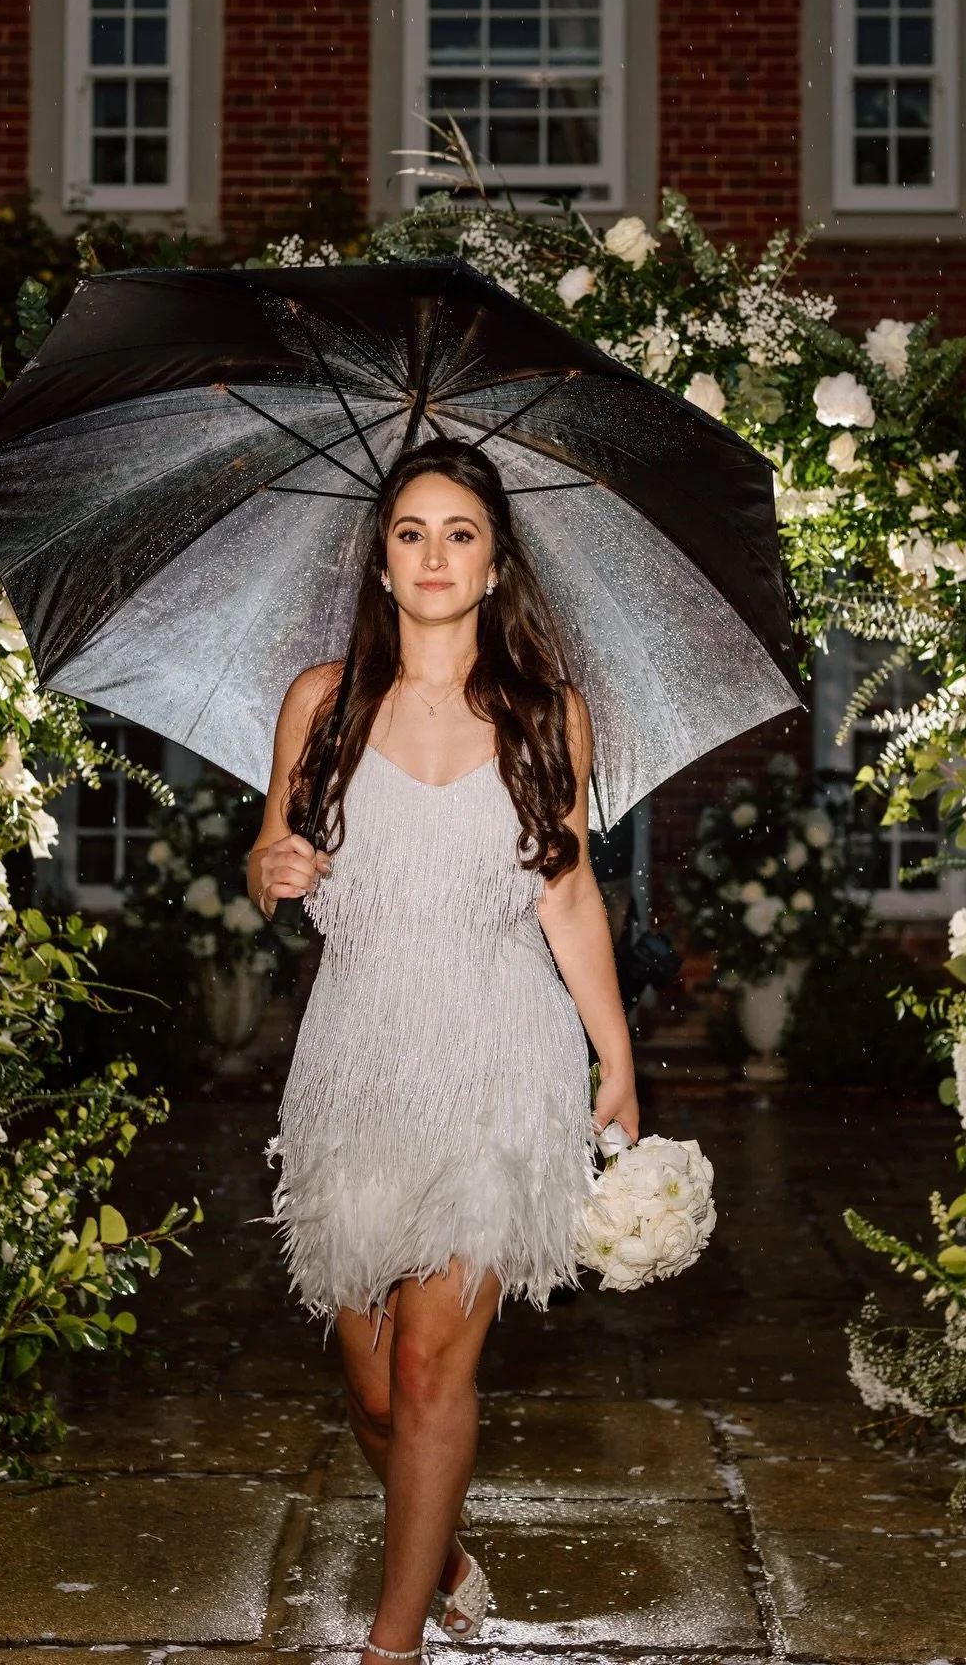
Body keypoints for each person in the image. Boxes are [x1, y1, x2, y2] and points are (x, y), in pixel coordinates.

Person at [247, 437, 640, 1663]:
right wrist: (274, 869)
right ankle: (446, 1546)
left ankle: (392, 1642)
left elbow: (568, 900)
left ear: (494, 563)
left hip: (499, 1060)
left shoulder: (546, 716)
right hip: (355, 1061)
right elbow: (270, 865)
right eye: (412, 531)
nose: (434, 553)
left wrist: (615, 1056)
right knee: (371, 1393)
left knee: (428, 1374)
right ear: (380, 558)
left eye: (460, 532)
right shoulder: (320, 702)